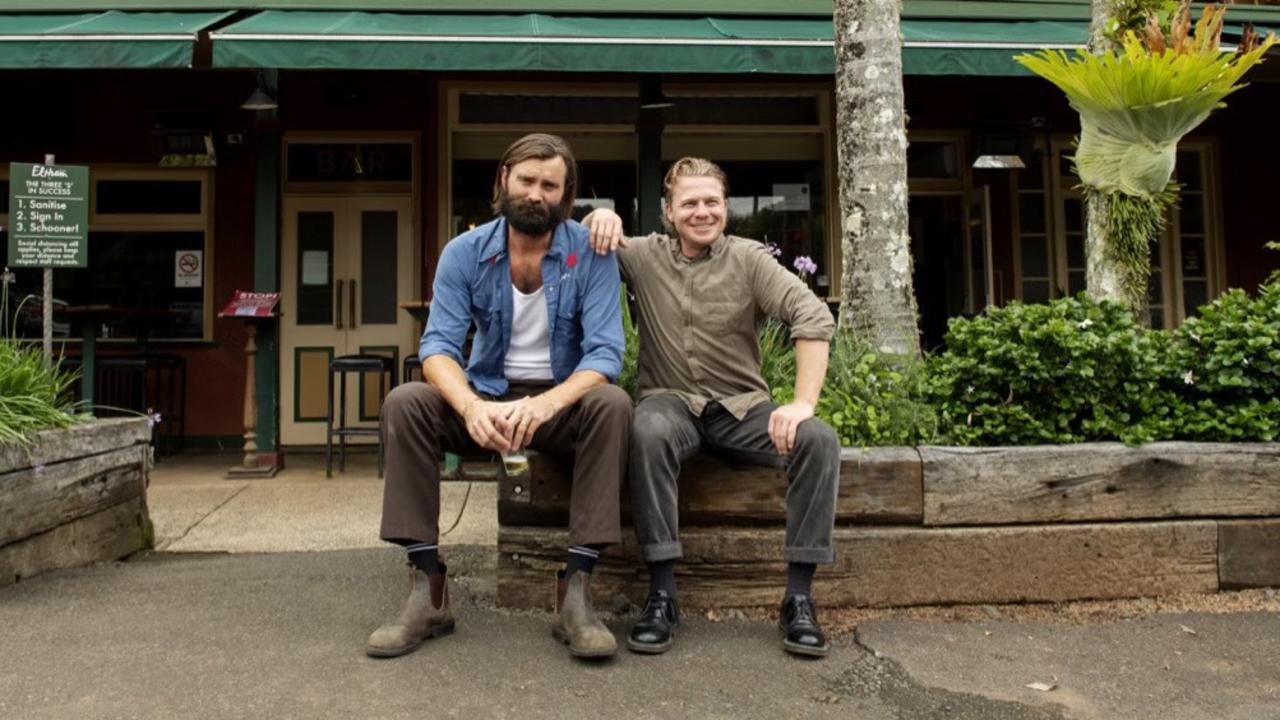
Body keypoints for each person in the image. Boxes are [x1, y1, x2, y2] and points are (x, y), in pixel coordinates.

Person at [367, 133, 630, 660]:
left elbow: (605, 355)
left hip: (560, 406)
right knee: (406, 402)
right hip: (485, 396)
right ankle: (427, 587)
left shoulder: (590, 253)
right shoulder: (464, 252)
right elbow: (438, 345)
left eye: (550, 185)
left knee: (613, 404)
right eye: (527, 180)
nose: (536, 193)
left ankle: (576, 590)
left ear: (566, 192)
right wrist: (470, 407)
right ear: (503, 181)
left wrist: (547, 403)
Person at [583, 157, 840, 658]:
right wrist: (599, 218)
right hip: (670, 404)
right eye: (690, 203)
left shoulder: (749, 259)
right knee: (647, 430)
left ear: (725, 207)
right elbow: (580, 243)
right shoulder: (642, 256)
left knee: (819, 439)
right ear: (667, 211)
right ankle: (662, 594)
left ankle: (799, 598)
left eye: (712, 202)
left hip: (743, 410)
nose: (702, 212)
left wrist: (803, 404)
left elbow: (810, 315)